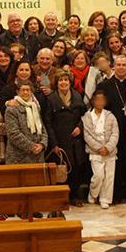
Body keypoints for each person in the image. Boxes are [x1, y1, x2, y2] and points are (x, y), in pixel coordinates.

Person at [97, 55, 126, 203]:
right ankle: (113, 194)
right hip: (111, 130)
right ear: (114, 66)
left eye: (124, 65)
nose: (121, 67)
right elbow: (99, 106)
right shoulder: (105, 86)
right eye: (119, 64)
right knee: (113, 163)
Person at [43, 71, 88, 205]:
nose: (63, 83)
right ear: (56, 83)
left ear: (70, 82)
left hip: (76, 140)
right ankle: (61, 197)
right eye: (60, 80)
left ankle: (74, 196)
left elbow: (85, 116)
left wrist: (80, 127)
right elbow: (48, 122)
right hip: (59, 140)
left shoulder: (77, 96)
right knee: (61, 170)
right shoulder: (51, 99)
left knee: (76, 169)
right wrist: (54, 143)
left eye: (66, 80)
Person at [83, 89, 119, 208]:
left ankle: (105, 199)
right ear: (93, 101)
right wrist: (99, 148)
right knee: (98, 175)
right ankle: (93, 193)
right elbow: (87, 135)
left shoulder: (110, 116)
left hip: (110, 151)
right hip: (95, 151)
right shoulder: (87, 116)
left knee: (109, 176)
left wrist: (108, 147)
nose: (99, 102)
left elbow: (115, 134)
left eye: (102, 99)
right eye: (97, 99)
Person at [5, 80, 48, 164]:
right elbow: (13, 133)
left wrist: (42, 144)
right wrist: (31, 147)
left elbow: (43, 129)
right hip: (18, 157)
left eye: (28, 90)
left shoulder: (35, 107)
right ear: (17, 92)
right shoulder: (11, 109)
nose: (25, 92)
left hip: (38, 157)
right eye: (23, 90)